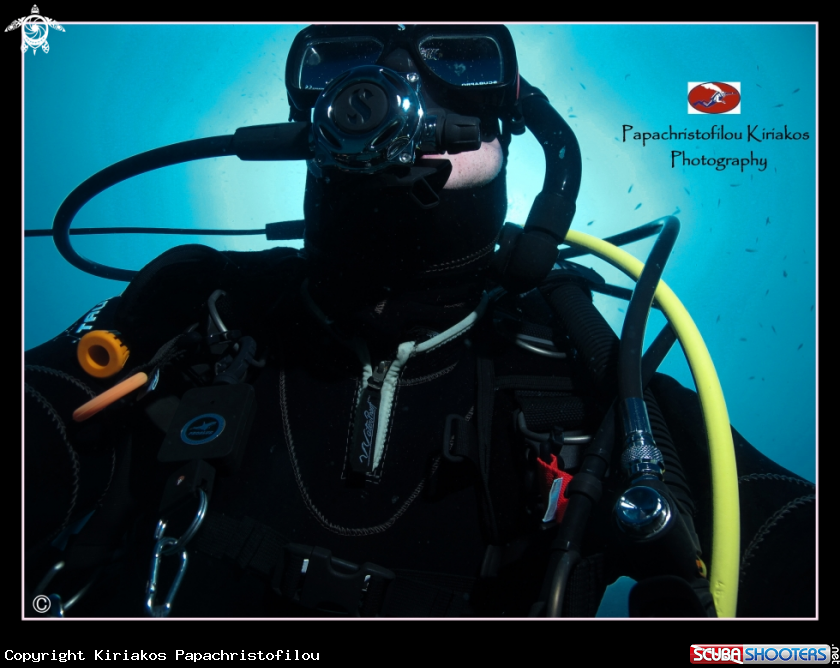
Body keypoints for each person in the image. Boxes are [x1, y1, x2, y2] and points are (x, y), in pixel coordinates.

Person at [23, 24, 815, 618]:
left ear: (514, 126)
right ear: (310, 117)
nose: (398, 83)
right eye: (345, 58)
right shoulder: (198, 306)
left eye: (460, 60)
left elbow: (787, 537)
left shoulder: (583, 366)